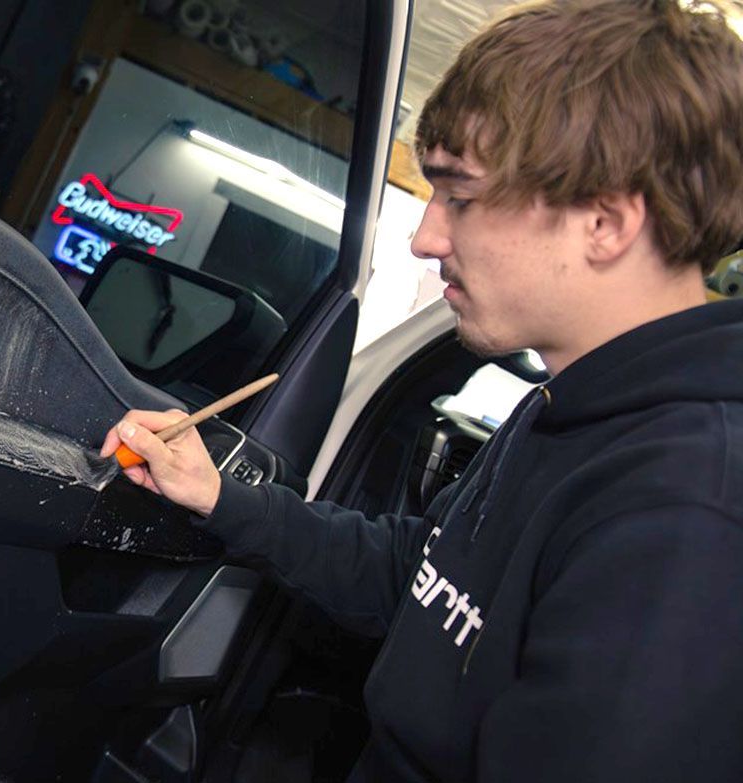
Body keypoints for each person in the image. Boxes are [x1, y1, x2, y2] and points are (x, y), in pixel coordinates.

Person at [99, 1, 743, 780]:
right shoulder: (562, 405)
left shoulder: (688, 509)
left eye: (460, 196)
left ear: (605, 222)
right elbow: (421, 579)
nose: (425, 236)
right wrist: (217, 495)